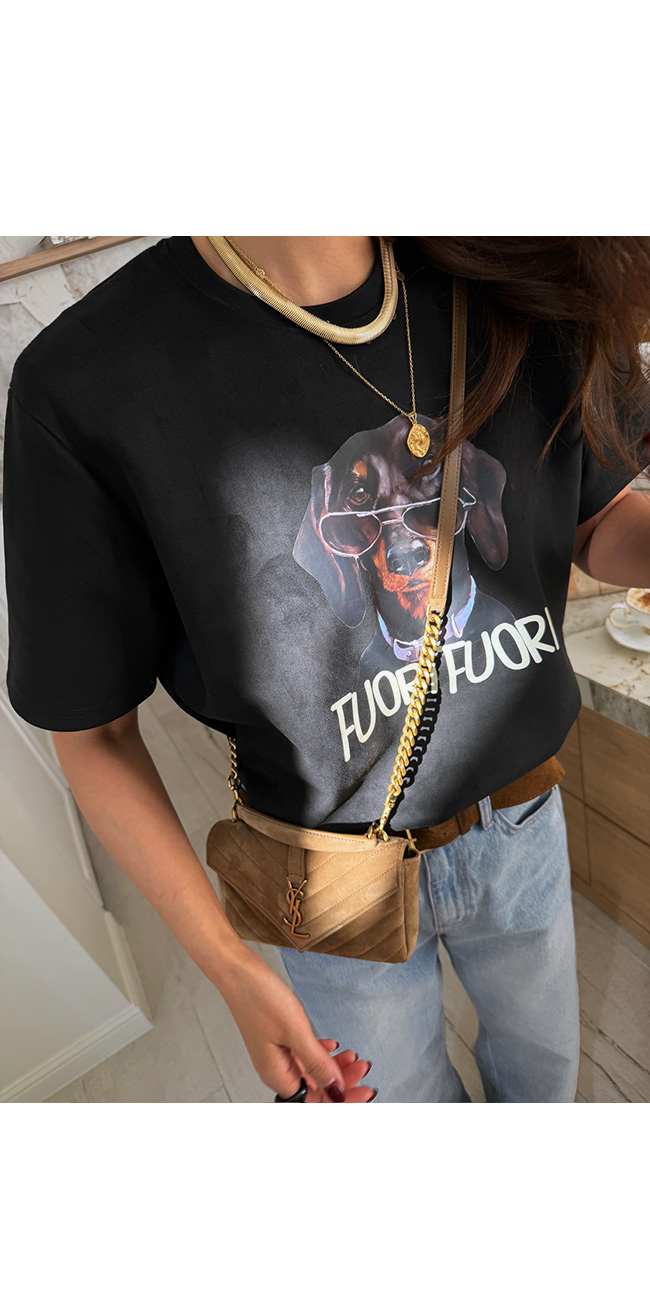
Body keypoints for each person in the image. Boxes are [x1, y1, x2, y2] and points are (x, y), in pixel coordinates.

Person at [3, 236, 650, 1103]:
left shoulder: (518, 266)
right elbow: (94, 733)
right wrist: (230, 966)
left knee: (545, 1086)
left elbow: (595, 523)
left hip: (523, 820)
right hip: (328, 879)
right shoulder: (83, 383)